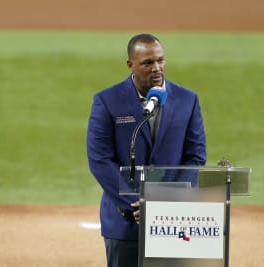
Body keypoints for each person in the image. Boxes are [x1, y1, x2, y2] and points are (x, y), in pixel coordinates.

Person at [86, 33, 206, 267]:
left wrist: (162, 200)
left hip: (173, 219)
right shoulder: (107, 100)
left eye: (161, 60)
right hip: (125, 220)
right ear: (131, 64)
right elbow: (99, 159)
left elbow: (195, 157)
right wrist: (139, 201)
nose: (157, 68)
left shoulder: (187, 100)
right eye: (148, 63)